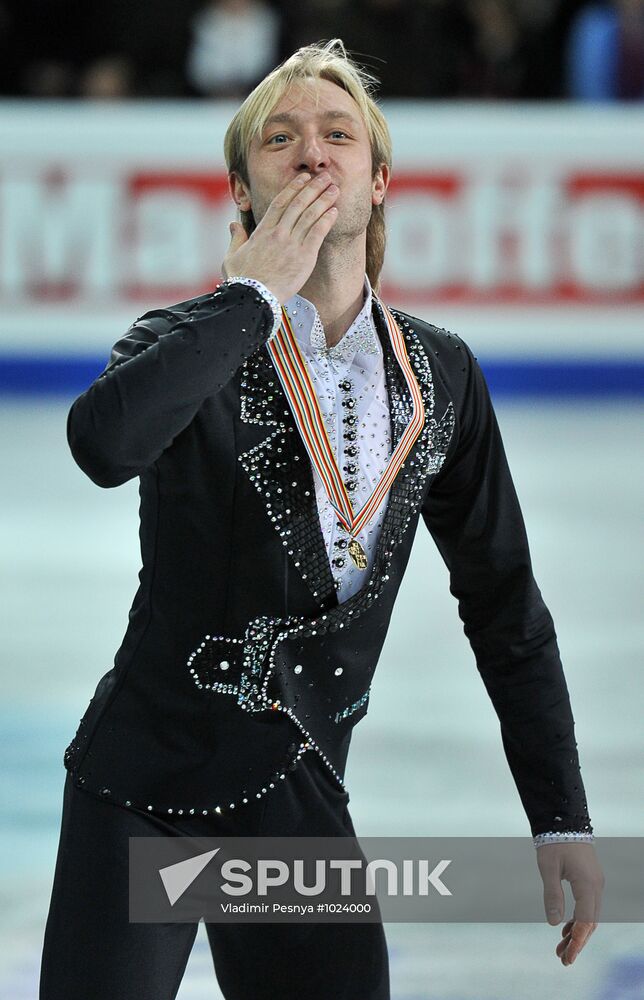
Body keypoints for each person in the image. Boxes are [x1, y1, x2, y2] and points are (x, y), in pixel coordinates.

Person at [39, 38, 604, 1000]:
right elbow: (104, 446)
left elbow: (506, 601)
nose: (313, 153)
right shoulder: (181, 342)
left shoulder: (443, 378)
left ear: (380, 182)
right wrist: (252, 294)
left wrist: (561, 817)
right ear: (242, 191)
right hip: (143, 788)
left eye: (340, 135)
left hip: (294, 793)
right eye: (281, 139)